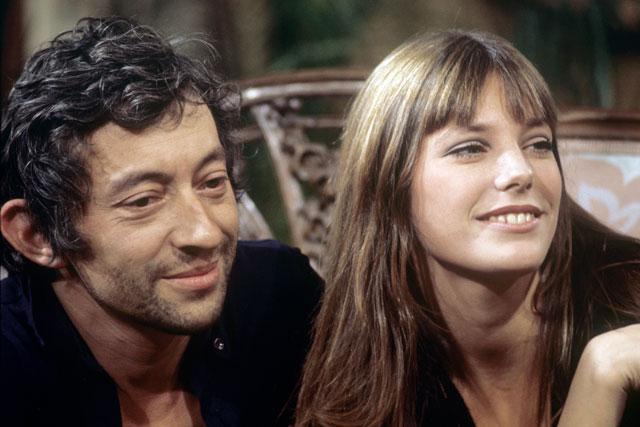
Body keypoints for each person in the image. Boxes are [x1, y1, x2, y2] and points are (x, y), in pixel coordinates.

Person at [296, 30, 640, 426]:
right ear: (389, 184)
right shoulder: (365, 379)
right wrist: (597, 386)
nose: (521, 171)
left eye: (538, 144)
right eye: (471, 148)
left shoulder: (628, 304)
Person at [0, 16, 321, 426]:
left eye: (212, 182)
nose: (204, 232)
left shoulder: (280, 296)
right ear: (37, 234)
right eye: (144, 201)